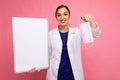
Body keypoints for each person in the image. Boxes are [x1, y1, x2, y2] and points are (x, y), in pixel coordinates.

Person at [28, 4, 101, 80]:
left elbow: (96, 34)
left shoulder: (77, 32)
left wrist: (91, 22)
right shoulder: (50, 35)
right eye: (59, 15)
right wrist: (37, 67)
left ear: (69, 16)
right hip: (55, 76)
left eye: (65, 14)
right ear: (56, 17)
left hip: (73, 77)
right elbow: (46, 56)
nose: (62, 17)